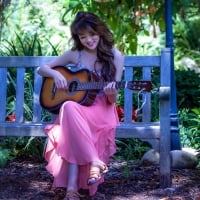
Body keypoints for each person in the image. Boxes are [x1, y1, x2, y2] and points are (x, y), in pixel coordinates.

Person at [37, 11, 124, 200]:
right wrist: (56, 75)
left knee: (69, 119)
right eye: (83, 37)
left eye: (92, 34)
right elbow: (41, 69)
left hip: (103, 108)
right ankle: (94, 162)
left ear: (100, 32)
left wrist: (112, 92)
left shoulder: (115, 56)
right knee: (68, 107)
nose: (88, 40)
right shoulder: (74, 54)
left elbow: (113, 100)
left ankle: (71, 188)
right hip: (80, 107)